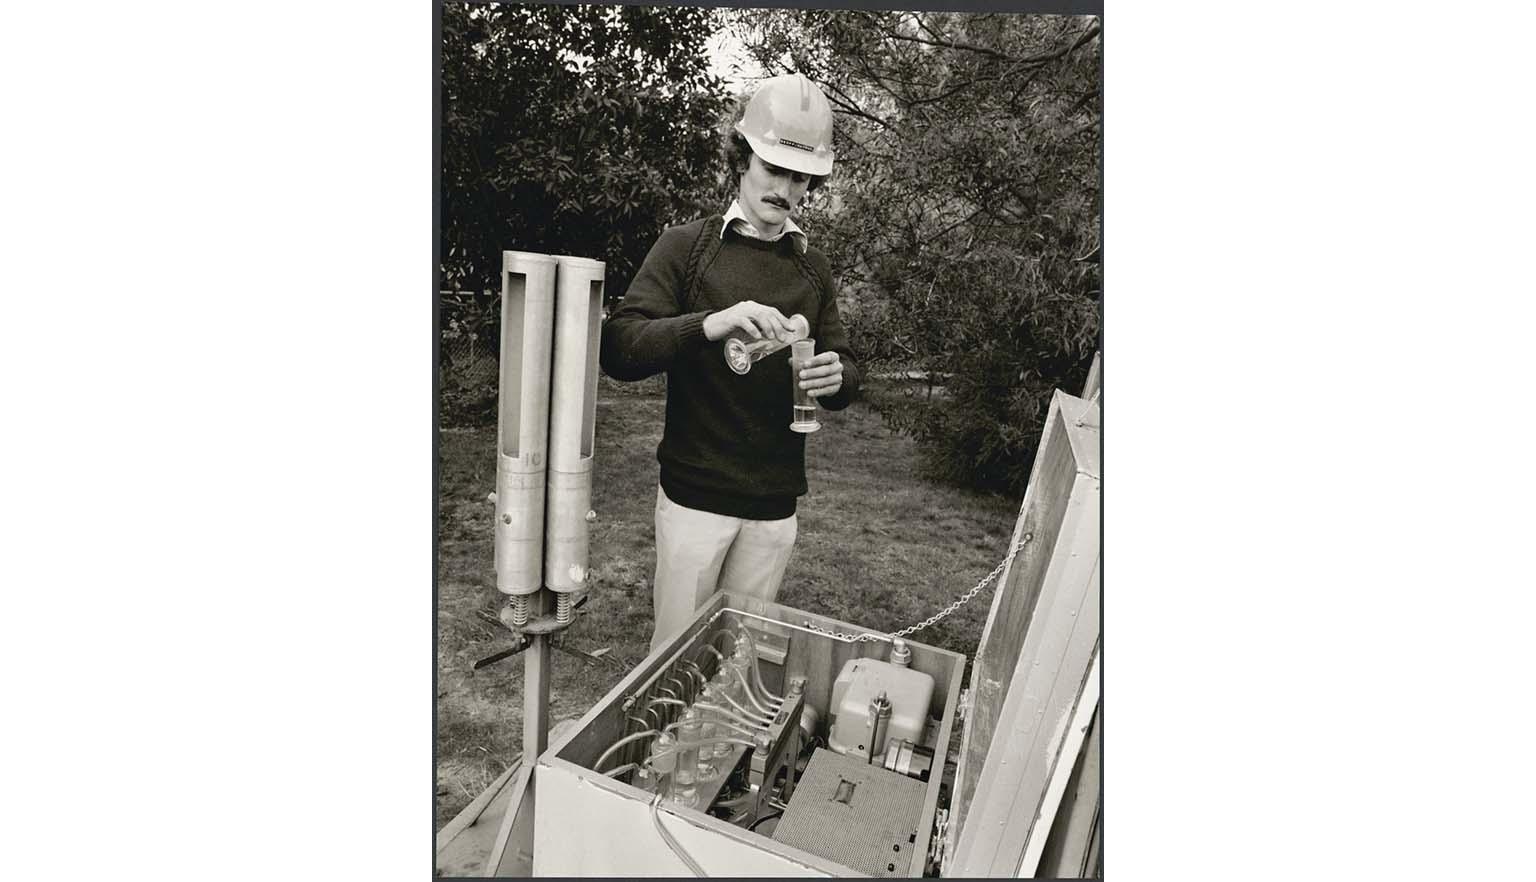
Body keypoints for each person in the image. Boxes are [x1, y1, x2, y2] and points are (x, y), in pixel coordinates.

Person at [599, 73, 862, 650]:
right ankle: (665, 747)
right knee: (674, 663)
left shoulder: (812, 266)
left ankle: (720, 746)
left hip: (774, 507)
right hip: (695, 500)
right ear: (741, 159)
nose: (785, 189)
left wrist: (836, 375)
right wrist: (709, 323)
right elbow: (620, 347)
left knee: (736, 669)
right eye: (773, 168)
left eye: (800, 177)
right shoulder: (687, 247)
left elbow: (844, 365)